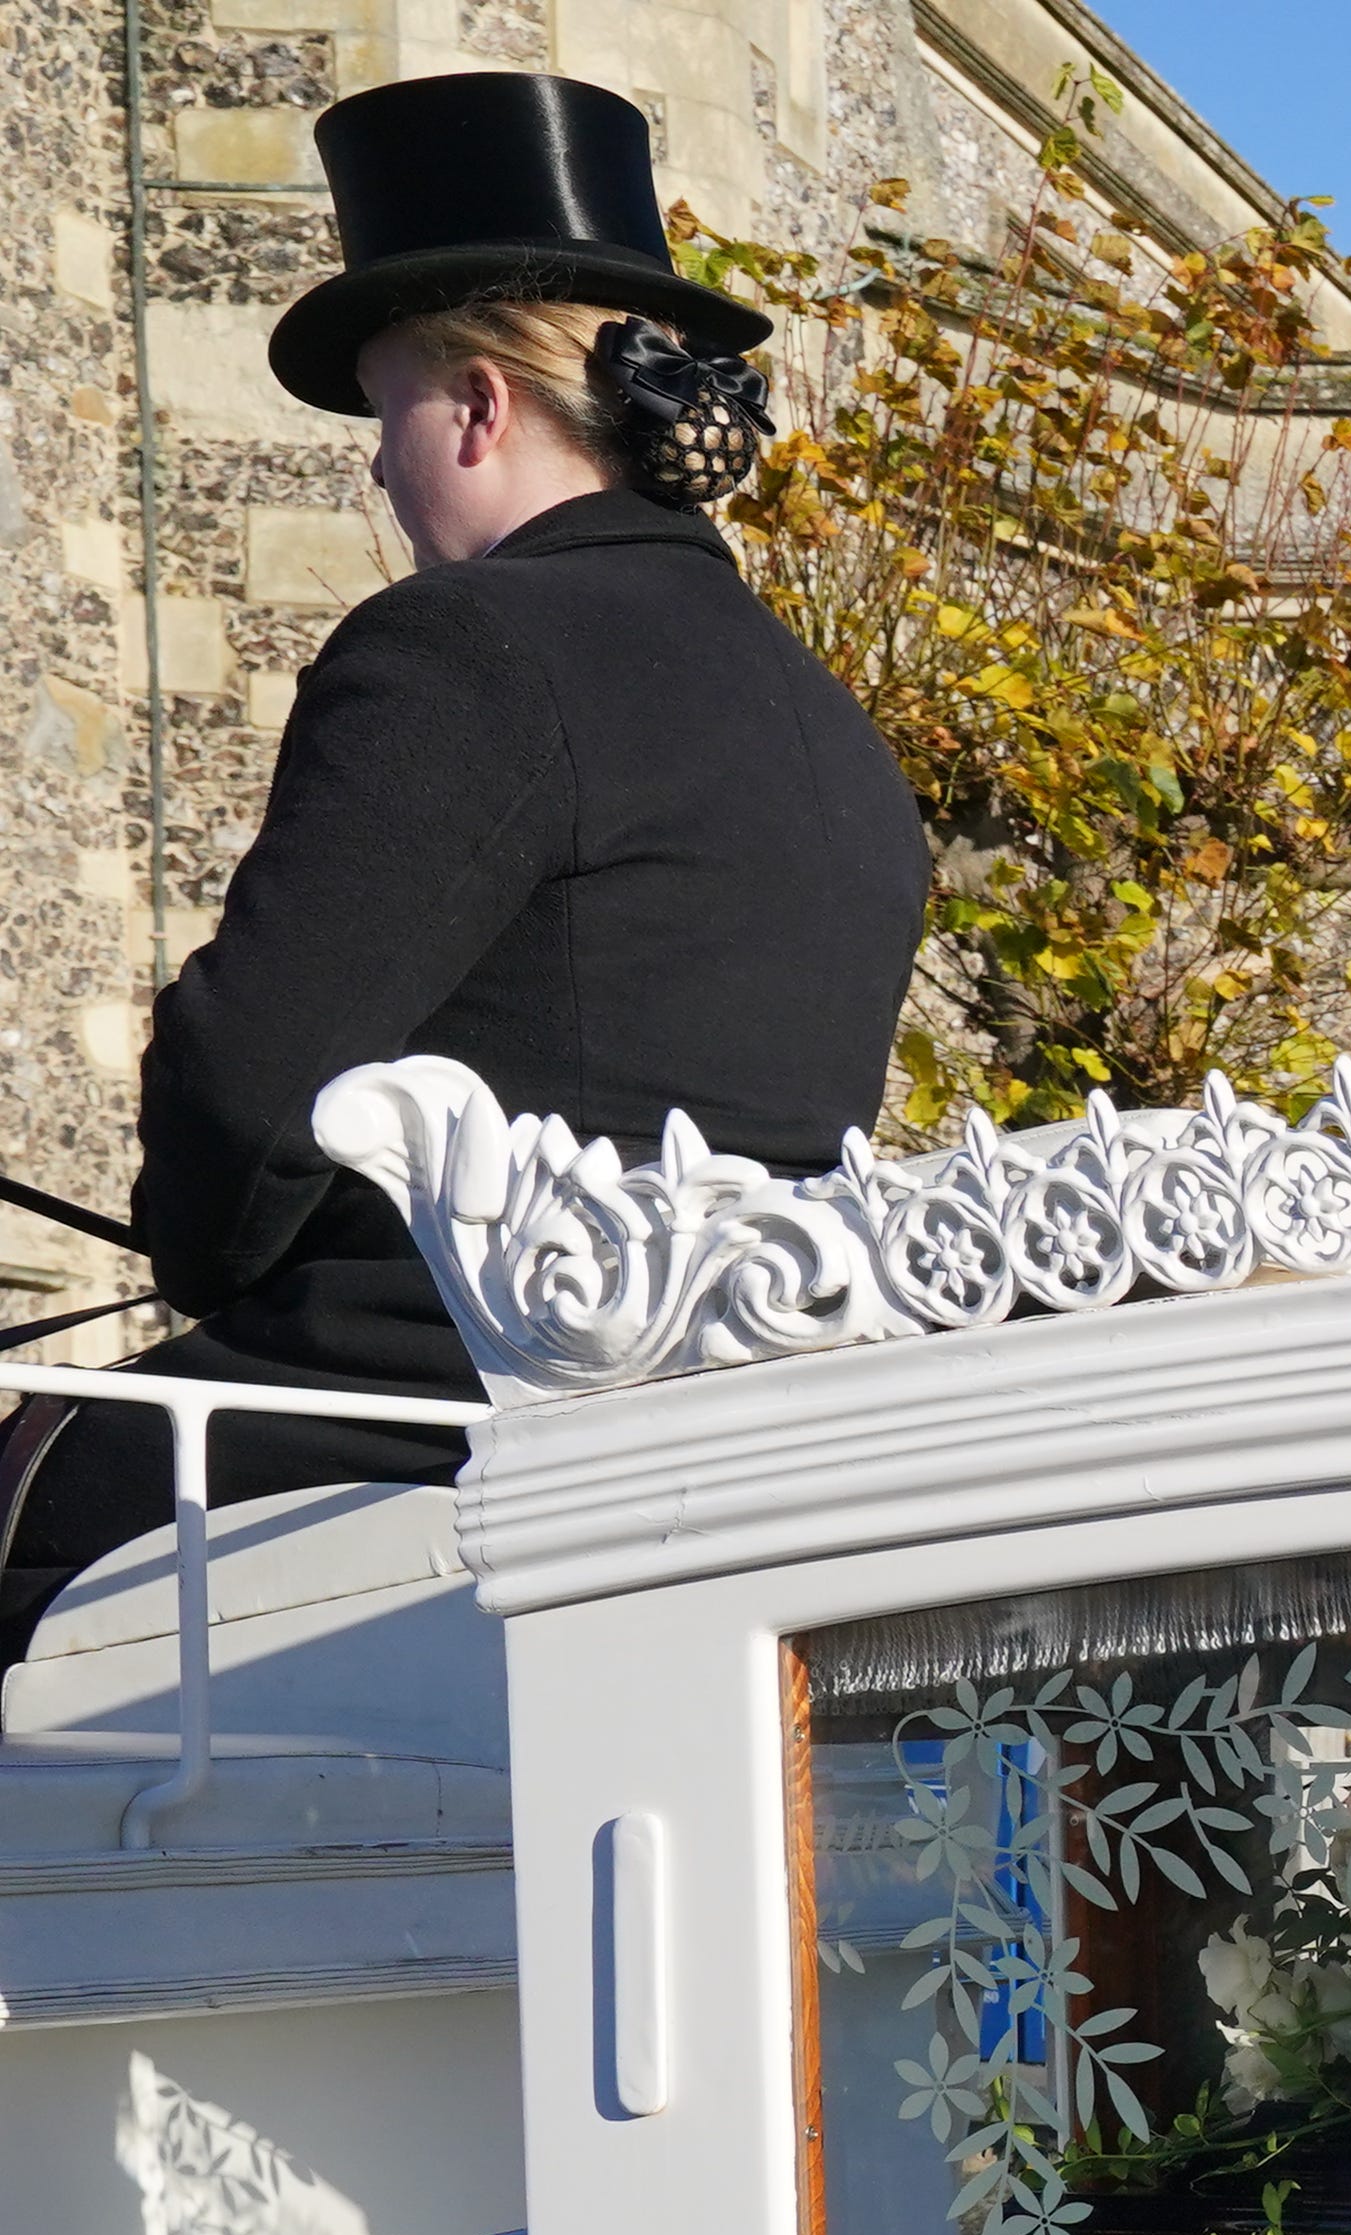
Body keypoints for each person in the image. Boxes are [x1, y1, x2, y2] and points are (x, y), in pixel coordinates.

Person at [0, 70, 923, 1650]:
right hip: (740, 1419)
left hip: (433, 1407)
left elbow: (249, 1084)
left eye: (390, 413)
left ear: (484, 405)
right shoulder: (830, 717)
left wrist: (213, 1257)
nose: (376, 470)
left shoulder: (466, 648)